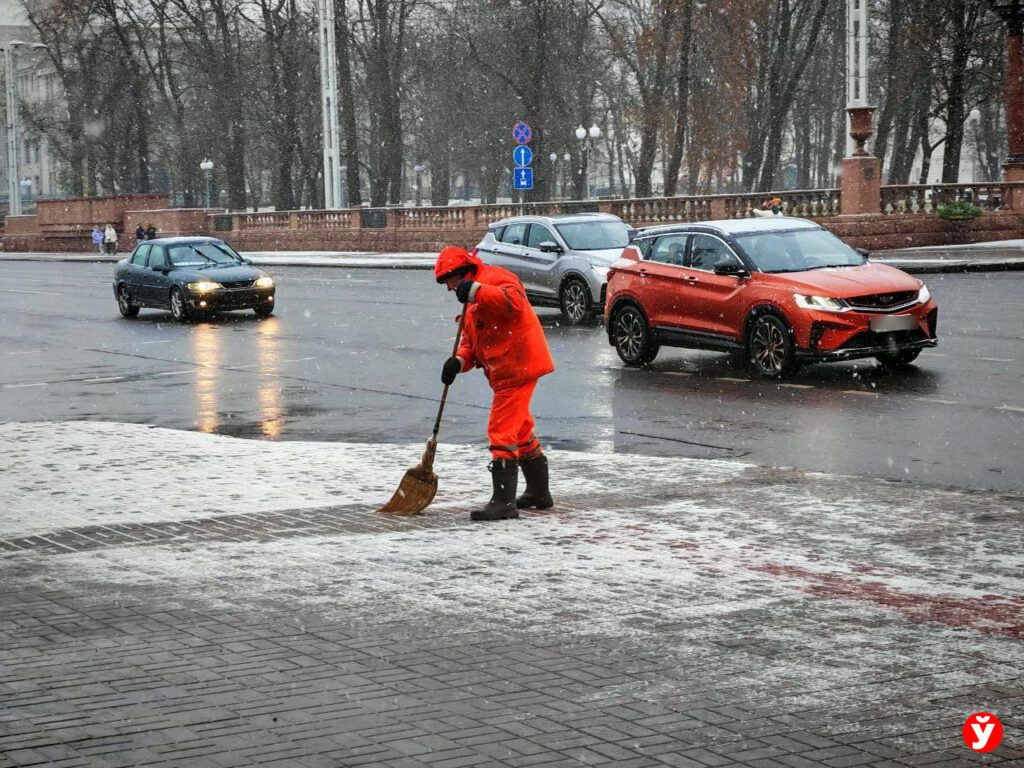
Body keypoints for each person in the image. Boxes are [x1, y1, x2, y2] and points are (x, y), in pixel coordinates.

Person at [435, 245, 555, 521]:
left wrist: (476, 290)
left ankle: (503, 502)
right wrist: (458, 362)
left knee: (501, 430)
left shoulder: (495, 278)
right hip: (505, 370)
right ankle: (539, 493)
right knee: (519, 430)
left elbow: (515, 304)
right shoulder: (469, 299)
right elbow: (471, 342)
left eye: (449, 281)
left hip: (518, 366)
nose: (449, 288)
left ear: (461, 273)